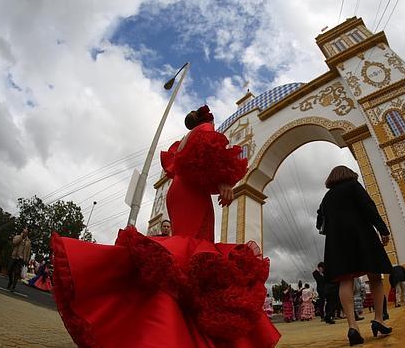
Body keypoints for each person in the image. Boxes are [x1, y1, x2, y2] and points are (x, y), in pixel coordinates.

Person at [49, 105, 280, 348]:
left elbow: (190, 162)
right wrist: (224, 179)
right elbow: (206, 154)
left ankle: (169, 328)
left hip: (180, 190)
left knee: (181, 258)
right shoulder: (205, 130)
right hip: (191, 192)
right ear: (207, 119)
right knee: (194, 254)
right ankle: (180, 334)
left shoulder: (183, 140)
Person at [316, 165, 393, 346]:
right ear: (349, 174)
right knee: (375, 277)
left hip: (337, 242)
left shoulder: (326, 197)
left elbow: (319, 222)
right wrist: (383, 230)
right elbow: (368, 207)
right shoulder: (353, 185)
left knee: (345, 280)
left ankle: (352, 326)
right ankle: (379, 319)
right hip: (361, 234)